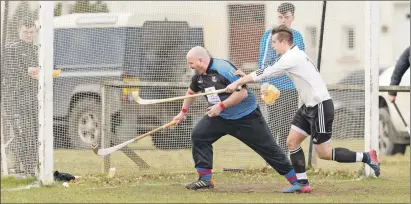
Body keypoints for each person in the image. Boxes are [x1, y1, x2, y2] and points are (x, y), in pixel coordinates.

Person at [226, 25, 380, 193]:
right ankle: (302, 183)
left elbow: (268, 72)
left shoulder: (292, 57)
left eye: (274, 42)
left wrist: (239, 82)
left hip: (320, 106)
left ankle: (366, 156)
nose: (272, 46)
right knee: (292, 142)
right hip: (308, 107)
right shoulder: (292, 55)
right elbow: (267, 71)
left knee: (324, 153)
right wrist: (246, 77)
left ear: (284, 42)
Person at [173, 46, 303, 192]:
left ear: (200, 60)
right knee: (199, 135)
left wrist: (220, 106)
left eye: (191, 63)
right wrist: (182, 113)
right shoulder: (198, 76)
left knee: (269, 149)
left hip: (246, 117)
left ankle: (298, 182)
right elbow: (191, 92)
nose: (189, 66)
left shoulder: (223, 69)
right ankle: (205, 179)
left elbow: (242, 94)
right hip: (220, 117)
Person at [258, 2, 305, 156]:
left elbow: (300, 62)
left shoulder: (297, 37)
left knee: (288, 124)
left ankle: (284, 157)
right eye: (280, 17)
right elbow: (264, 62)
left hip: (291, 88)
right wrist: (264, 83)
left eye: (286, 17)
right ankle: (271, 157)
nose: (283, 20)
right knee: (273, 123)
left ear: (292, 18)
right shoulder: (269, 36)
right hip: (273, 88)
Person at [2, 18, 39, 177]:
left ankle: (32, 167)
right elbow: (12, 72)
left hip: (32, 99)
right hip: (14, 100)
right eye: (25, 32)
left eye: (31, 32)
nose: (29, 35)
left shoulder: (36, 49)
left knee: (34, 133)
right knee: (19, 134)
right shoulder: (11, 48)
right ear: (19, 31)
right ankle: (19, 167)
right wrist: (28, 72)